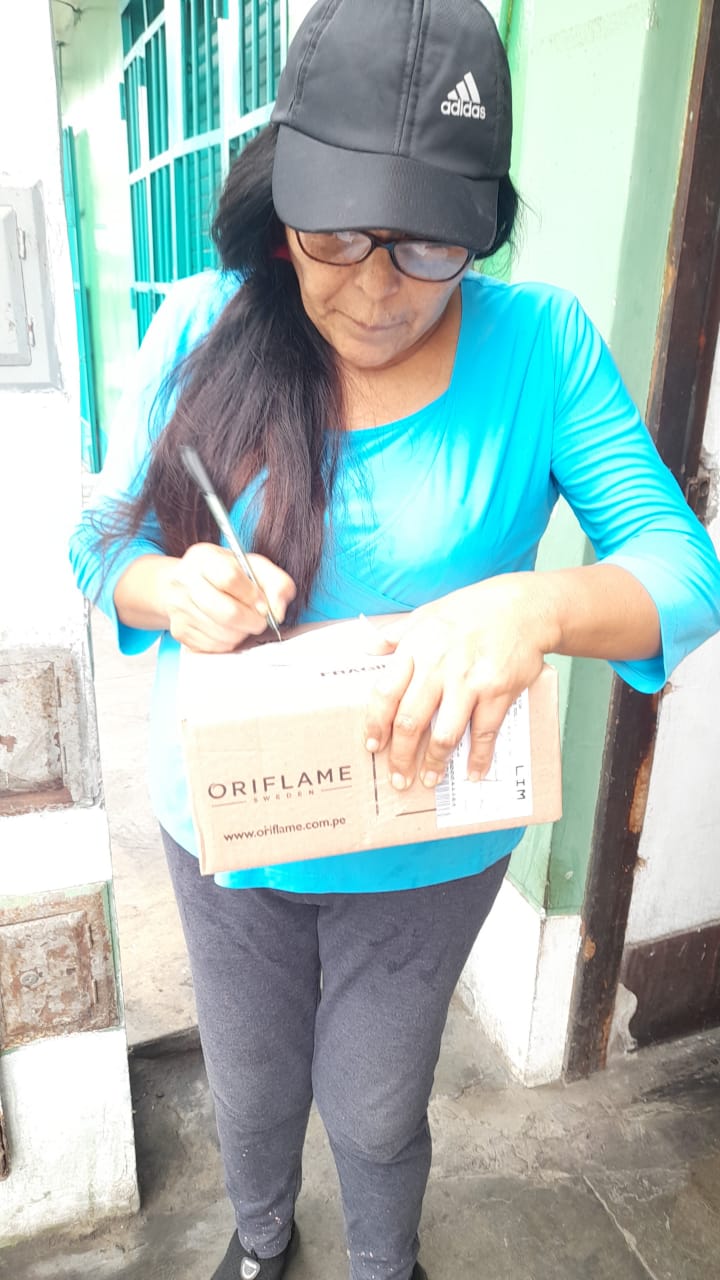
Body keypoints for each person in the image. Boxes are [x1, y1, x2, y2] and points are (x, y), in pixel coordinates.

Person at [70, 2, 720, 1278]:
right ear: (284, 201)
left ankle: (385, 1263)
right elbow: (102, 537)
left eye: (428, 246)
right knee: (251, 1087)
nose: (376, 290)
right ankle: (262, 1243)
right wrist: (167, 586)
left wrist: (536, 606)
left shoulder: (541, 348)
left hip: (428, 833)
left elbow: (682, 565)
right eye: (336, 238)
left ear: (483, 223)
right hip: (231, 824)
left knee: (374, 1104)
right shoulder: (206, 322)